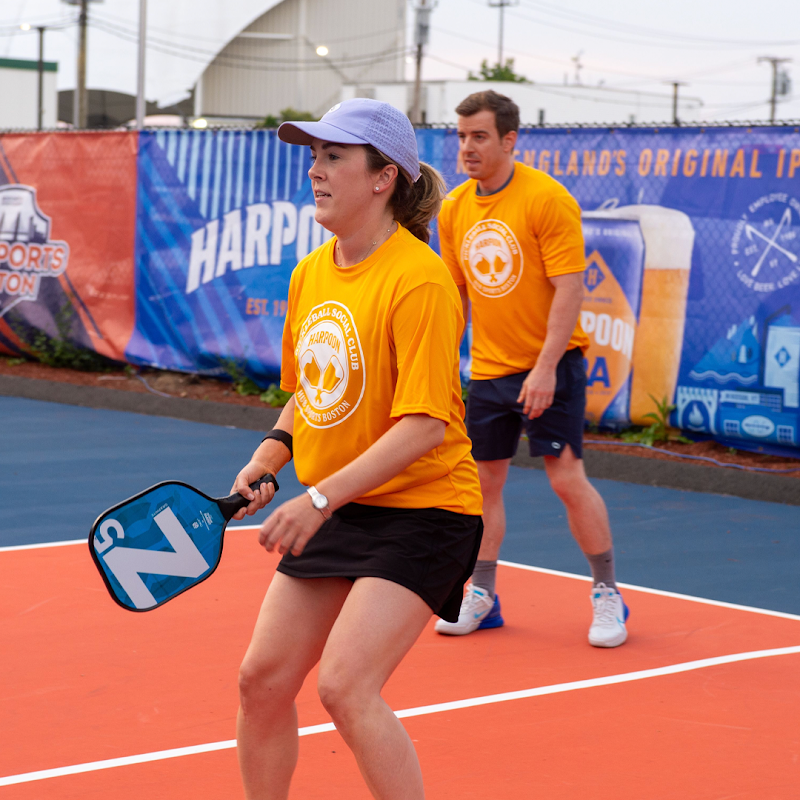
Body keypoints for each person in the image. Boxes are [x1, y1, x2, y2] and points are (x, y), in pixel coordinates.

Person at [229, 98, 484, 800]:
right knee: (261, 681)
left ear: (383, 177)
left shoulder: (420, 280)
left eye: (333, 156)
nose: (315, 170)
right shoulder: (311, 273)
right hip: (341, 504)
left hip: (426, 512)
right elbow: (312, 391)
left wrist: (317, 499)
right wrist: (270, 456)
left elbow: (425, 425)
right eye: (314, 156)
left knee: (345, 686)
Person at [434, 90, 629, 647]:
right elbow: (455, 295)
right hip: (489, 374)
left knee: (566, 480)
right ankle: (482, 593)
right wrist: (442, 364)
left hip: (553, 367)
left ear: (509, 139)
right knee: (481, 485)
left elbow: (570, 289)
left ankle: (607, 592)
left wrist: (543, 370)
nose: (467, 148)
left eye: (479, 136)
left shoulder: (547, 199)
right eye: (461, 136)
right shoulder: (454, 209)